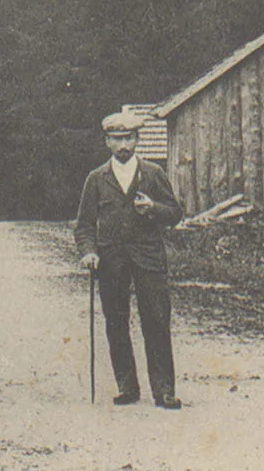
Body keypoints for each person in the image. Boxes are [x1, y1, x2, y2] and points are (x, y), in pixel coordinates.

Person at [74, 111, 186, 409]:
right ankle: (127, 386)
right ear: (107, 142)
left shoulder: (152, 174)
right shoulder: (97, 179)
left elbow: (175, 213)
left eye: (129, 138)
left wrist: (153, 208)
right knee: (116, 321)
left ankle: (164, 390)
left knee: (157, 320)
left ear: (138, 140)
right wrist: (89, 251)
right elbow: (84, 224)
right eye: (117, 138)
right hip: (111, 260)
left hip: (149, 258)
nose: (123, 144)